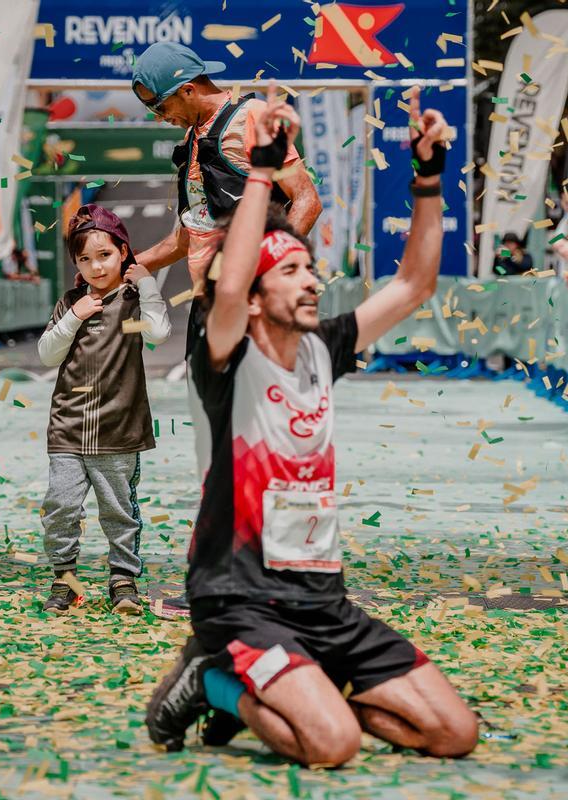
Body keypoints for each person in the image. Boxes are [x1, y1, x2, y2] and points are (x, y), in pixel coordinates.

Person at [144, 85, 478, 765]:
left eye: (310, 270)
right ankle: (214, 682)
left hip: (322, 599)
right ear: (255, 295)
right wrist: (262, 170)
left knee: (454, 734)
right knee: (332, 746)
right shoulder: (225, 353)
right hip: (239, 598)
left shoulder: (325, 348)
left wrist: (428, 177)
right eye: (291, 272)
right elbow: (227, 284)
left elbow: (414, 285)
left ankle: (309, 689)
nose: (311, 283)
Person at [130, 42, 322, 363]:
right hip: (208, 302)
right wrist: (126, 266)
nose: (161, 118)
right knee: (205, 397)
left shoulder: (252, 116)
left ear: (188, 90)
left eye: (160, 107)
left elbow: (307, 201)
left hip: (255, 303)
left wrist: (265, 276)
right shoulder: (192, 137)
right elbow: (191, 235)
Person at [36, 204, 171, 615]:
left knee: (118, 510)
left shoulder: (133, 300)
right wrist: (73, 318)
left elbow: (158, 334)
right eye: (84, 259)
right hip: (69, 426)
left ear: (123, 252)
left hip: (119, 429)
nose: (96, 266)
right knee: (60, 505)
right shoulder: (70, 301)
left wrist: (147, 284)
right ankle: (65, 580)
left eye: (105, 255)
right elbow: (47, 354)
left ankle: (123, 580)